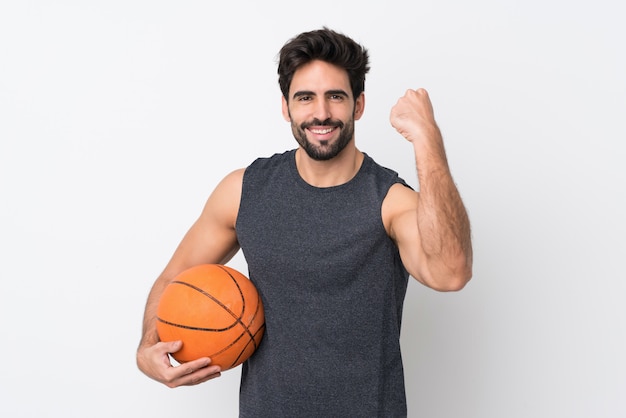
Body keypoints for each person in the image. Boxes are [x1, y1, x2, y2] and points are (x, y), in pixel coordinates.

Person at [137, 27, 473, 417]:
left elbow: (451, 273)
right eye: (305, 98)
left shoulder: (390, 202)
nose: (321, 113)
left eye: (336, 96)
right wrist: (148, 345)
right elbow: (174, 277)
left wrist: (427, 139)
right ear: (286, 107)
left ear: (358, 105)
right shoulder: (244, 191)